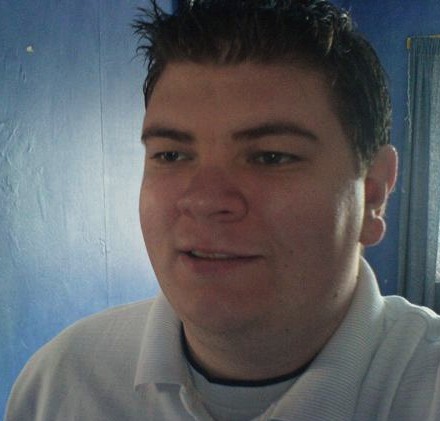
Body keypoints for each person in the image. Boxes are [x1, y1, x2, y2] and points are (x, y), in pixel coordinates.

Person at [5, 0, 440, 420]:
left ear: (373, 193)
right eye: (171, 155)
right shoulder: (61, 384)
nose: (205, 200)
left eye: (271, 157)